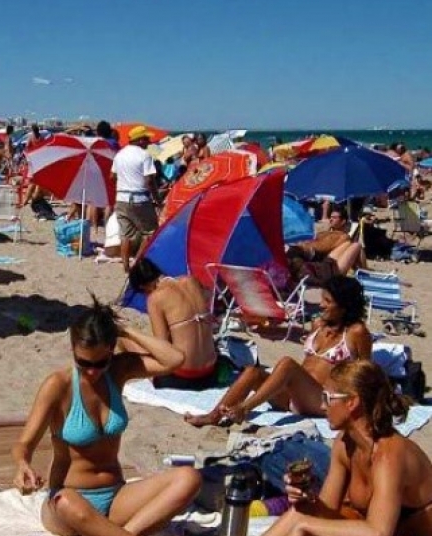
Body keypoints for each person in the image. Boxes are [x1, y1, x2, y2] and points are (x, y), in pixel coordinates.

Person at [168, 360, 432, 536]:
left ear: (353, 403)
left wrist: (308, 527)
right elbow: (325, 511)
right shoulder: (346, 444)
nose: (321, 405)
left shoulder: (390, 455)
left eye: (328, 398)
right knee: (299, 513)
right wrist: (306, 500)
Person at [11, 299, 218, 536]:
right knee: (67, 501)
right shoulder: (58, 386)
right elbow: (25, 443)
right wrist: (22, 464)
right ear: (73, 350)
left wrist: (127, 332)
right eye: (83, 363)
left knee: (189, 478)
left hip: (116, 496)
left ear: (111, 351)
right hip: (69, 502)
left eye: (101, 362)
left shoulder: (118, 372)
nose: (93, 371)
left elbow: (174, 359)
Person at [185, 275, 371, 427]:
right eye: (323, 298)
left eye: (328, 301)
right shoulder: (318, 325)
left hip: (322, 401)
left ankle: (245, 408)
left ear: (344, 307)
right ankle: (213, 416)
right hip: (293, 396)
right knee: (252, 372)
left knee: (287, 364)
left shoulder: (356, 333)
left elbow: (367, 375)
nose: (321, 305)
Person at [128, 258, 223, 390]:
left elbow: (162, 347)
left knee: (124, 340)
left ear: (143, 286)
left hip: (183, 377)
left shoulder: (155, 298)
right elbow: (207, 297)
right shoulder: (191, 281)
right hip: (211, 372)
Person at [111, 126, 160, 272]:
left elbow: (112, 176)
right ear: (139, 140)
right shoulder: (144, 155)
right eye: (146, 139)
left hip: (121, 198)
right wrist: (157, 199)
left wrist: (124, 184)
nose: (149, 142)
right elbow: (150, 180)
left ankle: (126, 265)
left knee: (125, 234)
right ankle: (137, 263)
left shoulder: (119, 155)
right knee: (150, 232)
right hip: (139, 199)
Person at [287, 208, 365, 281]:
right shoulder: (325, 232)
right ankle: (365, 271)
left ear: (343, 221)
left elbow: (322, 247)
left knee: (355, 245)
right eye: (330, 217)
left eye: (334, 218)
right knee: (356, 246)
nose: (330, 220)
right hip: (314, 261)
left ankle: (364, 271)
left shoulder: (343, 237)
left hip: (321, 263)